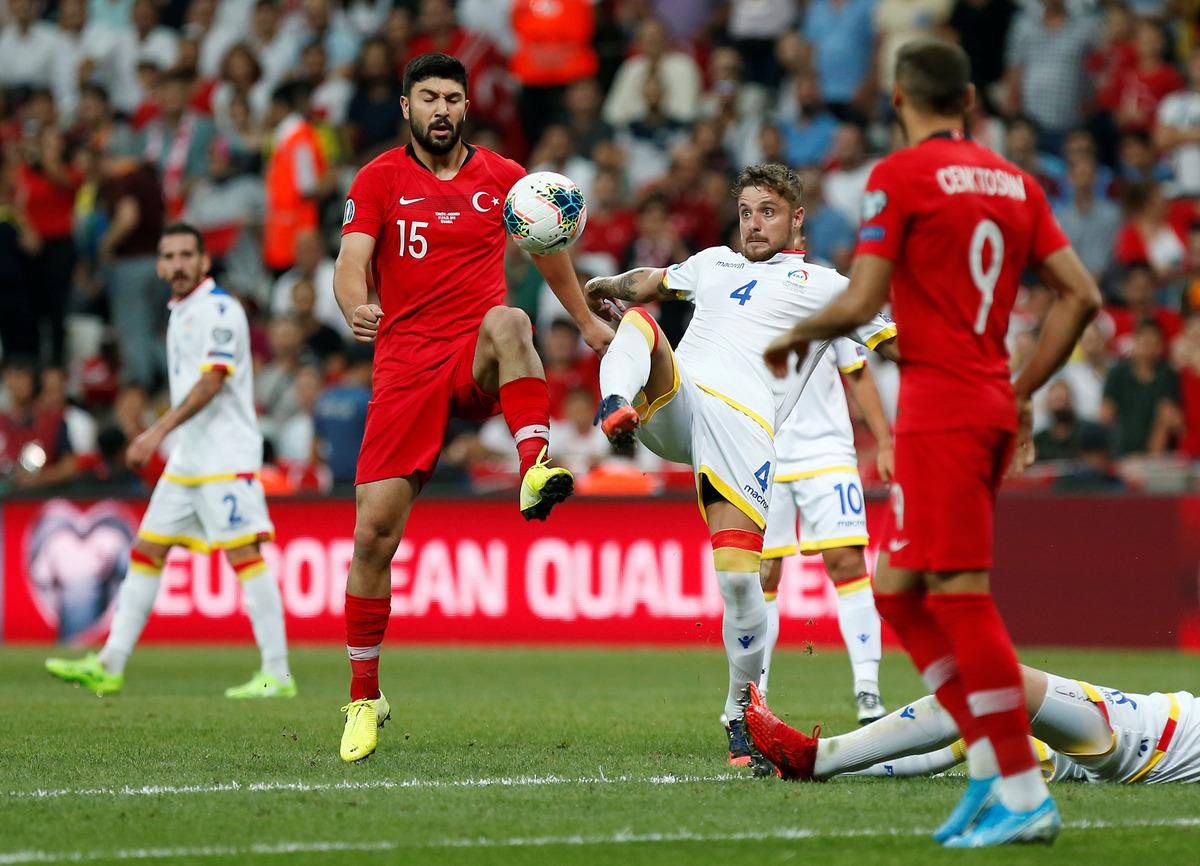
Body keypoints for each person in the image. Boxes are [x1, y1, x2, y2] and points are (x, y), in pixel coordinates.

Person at [762, 39, 1100, 847]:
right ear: (973, 101)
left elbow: (865, 299)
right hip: (983, 404)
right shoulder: (1016, 183)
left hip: (943, 412)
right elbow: (1080, 295)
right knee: (901, 590)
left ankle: (1021, 789)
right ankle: (990, 771)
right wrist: (1020, 392)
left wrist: (795, 337)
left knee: (958, 595)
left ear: (897, 100)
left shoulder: (900, 177)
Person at [332, 52, 611, 762]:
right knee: (373, 538)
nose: (441, 109)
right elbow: (349, 264)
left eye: (451, 97)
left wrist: (583, 322)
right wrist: (356, 306)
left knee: (512, 320)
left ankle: (534, 467)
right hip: (403, 365)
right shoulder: (379, 178)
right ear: (406, 108)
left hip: (472, 353)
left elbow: (547, 252)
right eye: (427, 97)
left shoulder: (506, 179)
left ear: (465, 106)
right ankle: (364, 696)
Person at [586, 163, 897, 774]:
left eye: (768, 212)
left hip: (746, 431)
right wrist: (607, 284)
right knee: (641, 323)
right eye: (747, 211)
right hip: (683, 405)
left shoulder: (826, 283)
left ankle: (739, 716)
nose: (754, 224)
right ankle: (614, 406)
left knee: (737, 582)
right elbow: (652, 281)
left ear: (796, 218)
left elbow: (889, 340)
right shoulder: (713, 262)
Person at [45, 224, 294, 700]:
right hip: (189, 459)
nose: (178, 265)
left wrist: (155, 431)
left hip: (224, 457)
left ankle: (277, 673)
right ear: (159, 266)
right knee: (147, 550)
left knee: (244, 555)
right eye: (169, 256)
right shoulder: (181, 311)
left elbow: (212, 381)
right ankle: (110, 664)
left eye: (186, 255)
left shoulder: (220, 309)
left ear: (203, 261)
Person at [744, 665, 1198, 785]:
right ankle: (812, 762)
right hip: (1121, 745)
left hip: (1143, 734)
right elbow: (939, 755)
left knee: (987, 680)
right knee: (971, 713)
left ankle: (815, 758)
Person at [760, 337, 894, 723]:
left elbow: (858, 371)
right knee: (763, 576)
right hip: (763, 450)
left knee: (848, 564)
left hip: (827, 452)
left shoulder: (826, 291)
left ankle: (868, 689)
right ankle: (756, 696)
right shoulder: (736, 291)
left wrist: (885, 441)